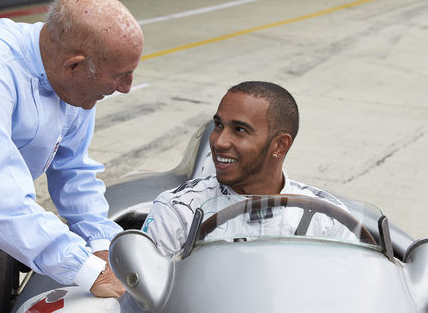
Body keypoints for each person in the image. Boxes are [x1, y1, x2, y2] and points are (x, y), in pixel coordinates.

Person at [0, 0, 143, 312]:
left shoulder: (76, 88)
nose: (127, 87)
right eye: (119, 76)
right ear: (74, 65)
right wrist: (87, 269)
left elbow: (73, 172)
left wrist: (104, 246)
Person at [142, 81, 356, 256]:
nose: (219, 142)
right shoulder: (178, 210)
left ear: (280, 145)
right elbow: (142, 297)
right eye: (218, 125)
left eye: (240, 130)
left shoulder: (329, 220)